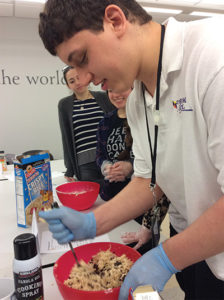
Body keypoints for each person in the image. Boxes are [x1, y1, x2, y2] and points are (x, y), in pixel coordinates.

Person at [38, 1, 224, 299]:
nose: (85, 79)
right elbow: (149, 179)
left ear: (115, 20)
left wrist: (167, 257)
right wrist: (93, 222)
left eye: (83, 58)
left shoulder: (213, 55)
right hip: (191, 242)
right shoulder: (138, 98)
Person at [58, 66, 114, 185]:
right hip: (85, 164)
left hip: (107, 158)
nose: (77, 83)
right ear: (68, 85)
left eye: (79, 78)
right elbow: (66, 137)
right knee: (92, 197)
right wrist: (69, 169)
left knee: (113, 192)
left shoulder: (104, 97)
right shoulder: (64, 105)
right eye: (72, 81)